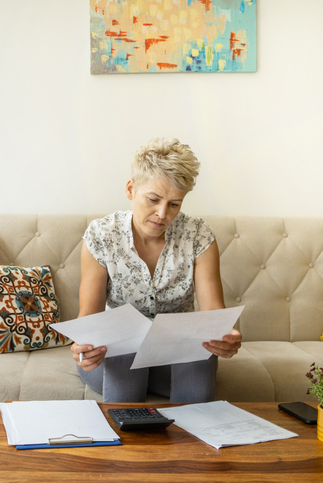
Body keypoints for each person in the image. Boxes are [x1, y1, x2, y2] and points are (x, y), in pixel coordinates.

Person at [72, 137, 242, 403]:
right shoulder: (101, 235)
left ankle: (193, 442)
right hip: (113, 358)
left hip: (173, 358)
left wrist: (225, 339)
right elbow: (89, 322)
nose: (162, 214)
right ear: (131, 189)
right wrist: (84, 347)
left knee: (200, 356)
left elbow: (213, 316)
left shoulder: (198, 236)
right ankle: (130, 442)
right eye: (153, 199)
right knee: (125, 354)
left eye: (174, 204)